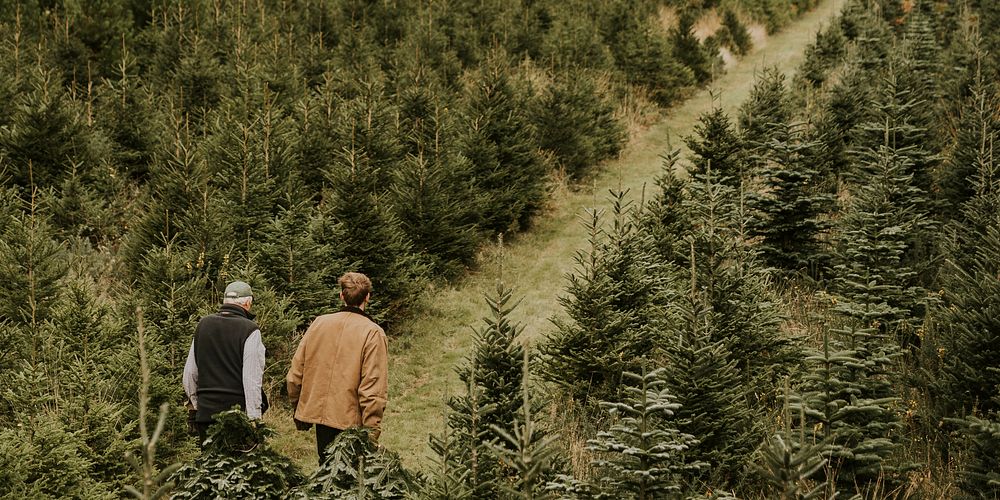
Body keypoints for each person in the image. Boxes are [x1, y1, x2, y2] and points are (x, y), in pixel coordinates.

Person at [286, 271, 388, 463]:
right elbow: (372, 388)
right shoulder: (373, 333)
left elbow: (295, 374)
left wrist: (298, 409)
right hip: (352, 422)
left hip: (320, 418)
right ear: (368, 297)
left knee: (326, 472)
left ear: (341, 295)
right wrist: (372, 432)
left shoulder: (319, 323)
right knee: (351, 478)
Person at [183, 280, 266, 446]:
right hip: (236, 416)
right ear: (248, 302)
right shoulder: (250, 330)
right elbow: (251, 379)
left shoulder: (203, 325)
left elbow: (190, 373)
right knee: (237, 468)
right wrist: (254, 419)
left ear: (225, 301)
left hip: (206, 414)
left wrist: (198, 405)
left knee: (209, 468)